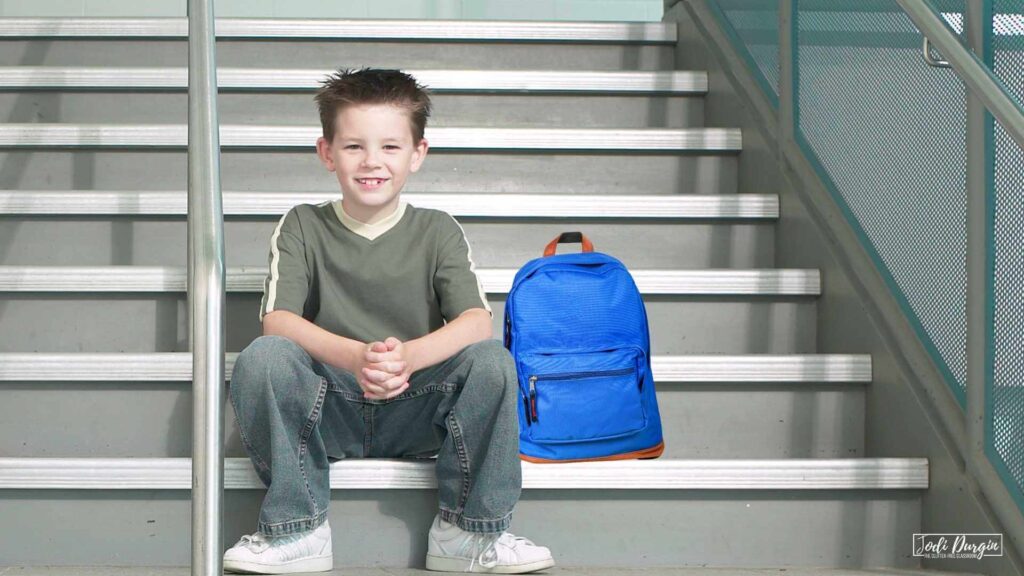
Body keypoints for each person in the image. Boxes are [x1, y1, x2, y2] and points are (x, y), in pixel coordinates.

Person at [223, 68, 555, 574]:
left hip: (418, 409)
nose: (372, 162)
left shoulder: (437, 228)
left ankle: (468, 531)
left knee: (491, 362)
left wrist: (407, 358)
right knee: (264, 358)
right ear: (326, 152)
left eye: (391, 147)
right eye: (354, 146)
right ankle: (297, 529)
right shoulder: (302, 225)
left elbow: (474, 321)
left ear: (418, 154)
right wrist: (356, 357)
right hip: (328, 409)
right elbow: (279, 322)